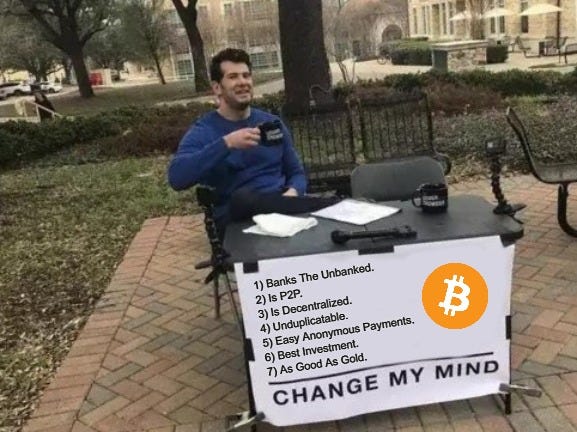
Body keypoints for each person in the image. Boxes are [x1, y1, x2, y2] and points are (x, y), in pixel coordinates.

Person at [168, 48, 336, 236]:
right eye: (233, 77)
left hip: (283, 212)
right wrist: (227, 143)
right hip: (238, 221)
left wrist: (292, 194)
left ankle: (330, 206)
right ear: (217, 88)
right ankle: (329, 204)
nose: (242, 82)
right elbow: (177, 178)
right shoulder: (205, 131)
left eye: (246, 75)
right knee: (244, 198)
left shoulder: (272, 124)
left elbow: (296, 173)